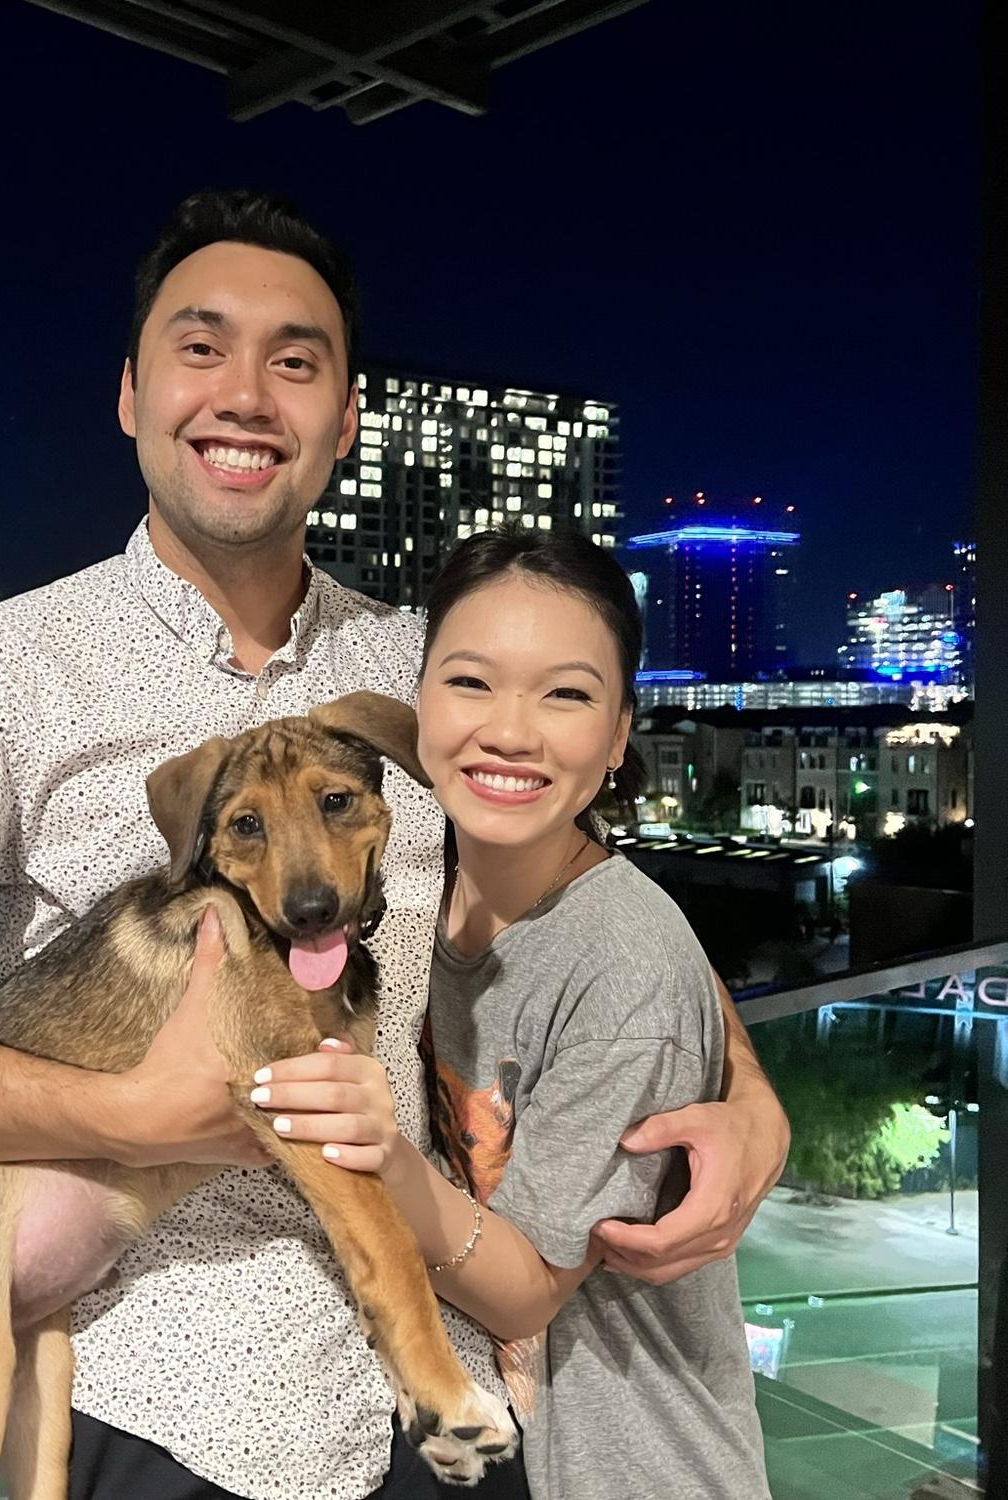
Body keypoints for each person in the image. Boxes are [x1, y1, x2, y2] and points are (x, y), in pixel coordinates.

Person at [0, 189, 788, 1500]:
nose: (245, 395)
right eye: (201, 348)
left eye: (294, 362)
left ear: (346, 420)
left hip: (431, 1396)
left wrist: (745, 1087)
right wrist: (128, 1117)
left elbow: (573, 887)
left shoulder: (422, 669)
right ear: (131, 393)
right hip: (160, 1413)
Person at [250, 527, 772, 1498]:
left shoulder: (621, 961)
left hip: (637, 1462)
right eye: (471, 682)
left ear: (618, 734)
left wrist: (381, 1152)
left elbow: (530, 1291)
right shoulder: (423, 885)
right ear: (419, 702)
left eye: (566, 694)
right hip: (503, 1451)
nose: (510, 731)